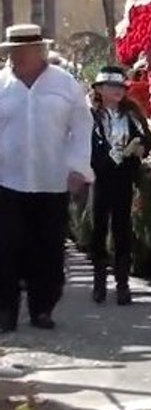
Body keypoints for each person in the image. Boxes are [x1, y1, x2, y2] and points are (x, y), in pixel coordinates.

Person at [0, 24, 93, 332]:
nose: (15, 58)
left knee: (48, 248)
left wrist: (79, 167)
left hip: (52, 180)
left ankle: (43, 308)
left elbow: (81, 128)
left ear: (38, 52)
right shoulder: (2, 84)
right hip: (7, 180)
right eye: (11, 53)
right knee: (6, 247)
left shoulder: (65, 85)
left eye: (21, 52)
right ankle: (6, 312)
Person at [89, 67, 151, 305]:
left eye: (120, 88)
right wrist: (108, 159)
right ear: (100, 90)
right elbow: (89, 146)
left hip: (124, 177)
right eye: (111, 87)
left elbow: (147, 138)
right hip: (101, 177)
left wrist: (140, 148)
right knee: (99, 228)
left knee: (122, 228)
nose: (117, 91)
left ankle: (123, 284)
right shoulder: (93, 116)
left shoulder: (131, 115)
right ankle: (98, 282)